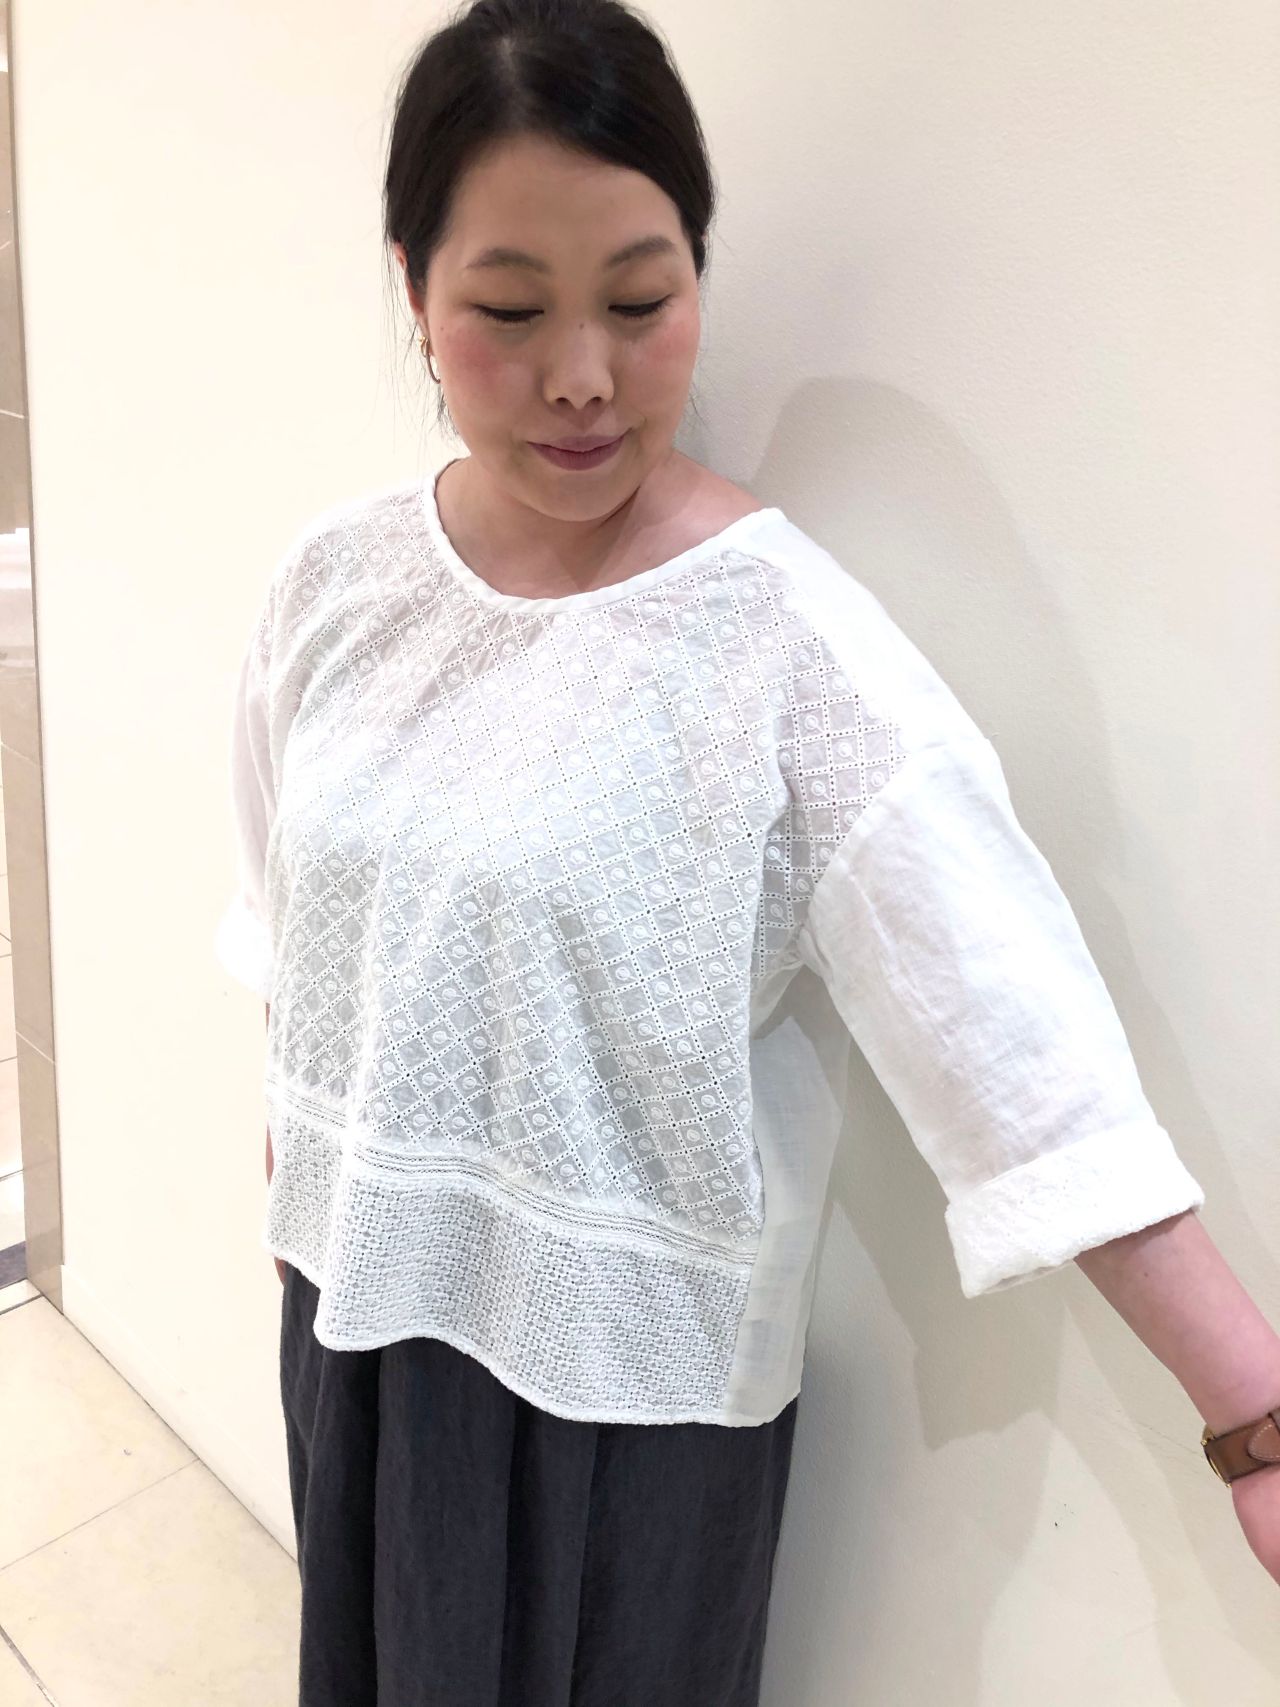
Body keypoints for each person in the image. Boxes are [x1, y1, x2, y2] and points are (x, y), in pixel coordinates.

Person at [215, 1, 1280, 1702]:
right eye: (511, 310)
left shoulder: (788, 649)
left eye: (641, 303)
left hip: (623, 1407)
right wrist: (310, 1179)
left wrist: (1256, 1421)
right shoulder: (334, 585)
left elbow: (1024, 1060)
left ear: (696, 277)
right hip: (357, 1318)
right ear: (412, 288)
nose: (584, 374)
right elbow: (296, 919)